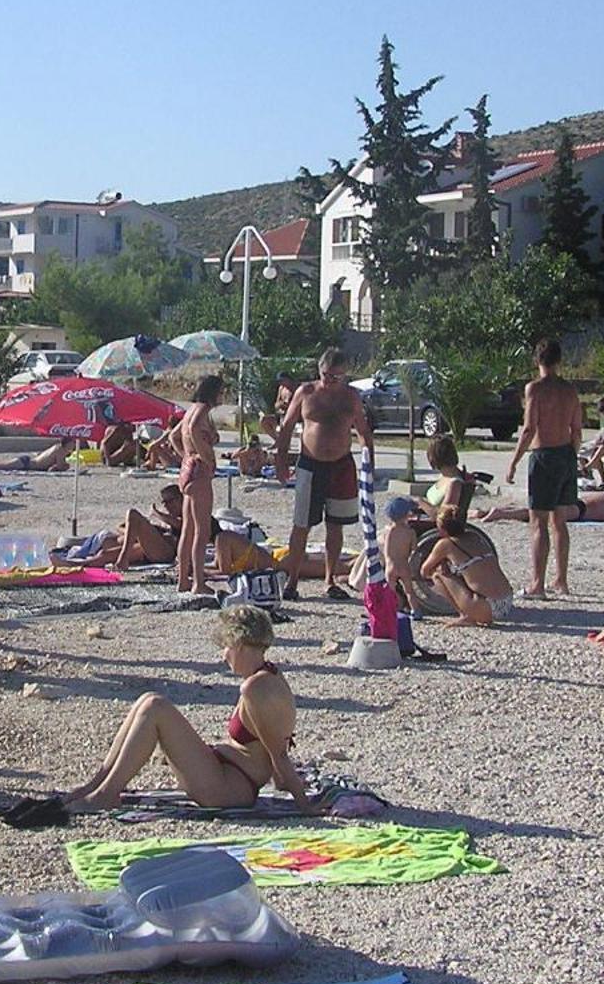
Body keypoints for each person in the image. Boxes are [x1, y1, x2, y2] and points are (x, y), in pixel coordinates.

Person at [56, 605, 316, 813]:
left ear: (239, 644)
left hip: (229, 788)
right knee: (147, 699)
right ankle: (97, 785)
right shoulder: (265, 676)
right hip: (228, 773)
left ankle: (105, 794)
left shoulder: (256, 689)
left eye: (226, 646)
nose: (224, 655)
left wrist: (305, 806)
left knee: (156, 707)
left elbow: (279, 755)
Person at [272, 348, 373, 602]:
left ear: (345, 375)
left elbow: (362, 429)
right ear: (320, 371)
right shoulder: (306, 393)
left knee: (336, 525)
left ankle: (329, 580)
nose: (329, 381)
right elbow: (286, 428)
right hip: (310, 464)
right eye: (326, 375)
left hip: (341, 465)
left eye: (335, 377)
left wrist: (369, 456)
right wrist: (281, 459)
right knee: (301, 525)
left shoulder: (351, 397)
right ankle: (292, 581)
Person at [505, 338, 584, 598]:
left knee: (538, 521)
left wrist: (514, 461)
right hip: (565, 454)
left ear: (537, 360)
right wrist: (573, 456)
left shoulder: (535, 389)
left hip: (544, 454)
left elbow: (529, 429)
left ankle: (537, 583)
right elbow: (577, 430)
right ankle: (561, 579)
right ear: (559, 360)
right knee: (559, 521)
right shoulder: (570, 390)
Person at [421, 505, 515, 626]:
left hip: (485, 607)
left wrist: (443, 565)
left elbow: (424, 571)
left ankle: (466, 616)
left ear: (442, 528)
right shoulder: (475, 536)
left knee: (438, 574)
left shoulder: (446, 544)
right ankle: (472, 613)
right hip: (507, 601)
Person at [173, 374, 223, 598]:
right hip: (200, 472)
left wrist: (186, 456)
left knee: (188, 529)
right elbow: (193, 429)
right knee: (202, 531)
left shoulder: (191, 408)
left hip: (187, 470)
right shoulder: (202, 410)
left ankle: (183, 579)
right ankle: (198, 582)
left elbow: (175, 436)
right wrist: (205, 456)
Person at [64, 484, 187, 567]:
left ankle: (124, 558)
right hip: (155, 549)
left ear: (181, 499)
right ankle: (73, 565)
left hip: (168, 552)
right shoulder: (168, 521)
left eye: (170, 501)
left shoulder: (190, 514)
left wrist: (157, 514)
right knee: (106, 554)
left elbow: (182, 526)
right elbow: (120, 526)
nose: (166, 506)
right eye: (164, 502)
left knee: (133, 514)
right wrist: (136, 533)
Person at [476, 492, 604, 523]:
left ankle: (484, 512)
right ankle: (500, 514)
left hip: (578, 503)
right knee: (537, 514)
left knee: (538, 509)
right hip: (581, 510)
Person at [419, 434, 473, 517]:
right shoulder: (445, 476)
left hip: (435, 524)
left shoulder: (454, 483)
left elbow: (444, 516)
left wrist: (420, 502)